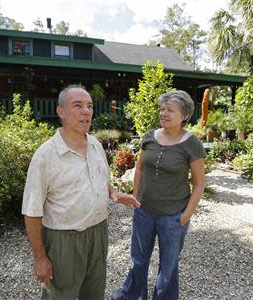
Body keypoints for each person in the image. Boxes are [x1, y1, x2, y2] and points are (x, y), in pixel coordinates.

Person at [22, 85, 140, 300]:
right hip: (64, 239)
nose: (86, 111)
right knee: (60, 296)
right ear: (61, 112)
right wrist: (40, 258)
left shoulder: (95, 144)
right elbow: (32, 211)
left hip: (98, 234)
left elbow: (101, 179)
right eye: (78, 105)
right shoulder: (46, 156)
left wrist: (113, 193)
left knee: (94, 293)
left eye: (90, 106)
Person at [112, 90, 207, 300]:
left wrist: (185, 217)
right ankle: (132, 295)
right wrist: (136, 197)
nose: (163, 113)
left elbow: (199, 183)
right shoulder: (149, 136)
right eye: (162, 109)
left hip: (173, 216)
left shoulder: (192, 143)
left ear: (183, 115)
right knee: (138, 259)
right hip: (143, 212)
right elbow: (140, 168)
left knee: (168, 266)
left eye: (169, 110)